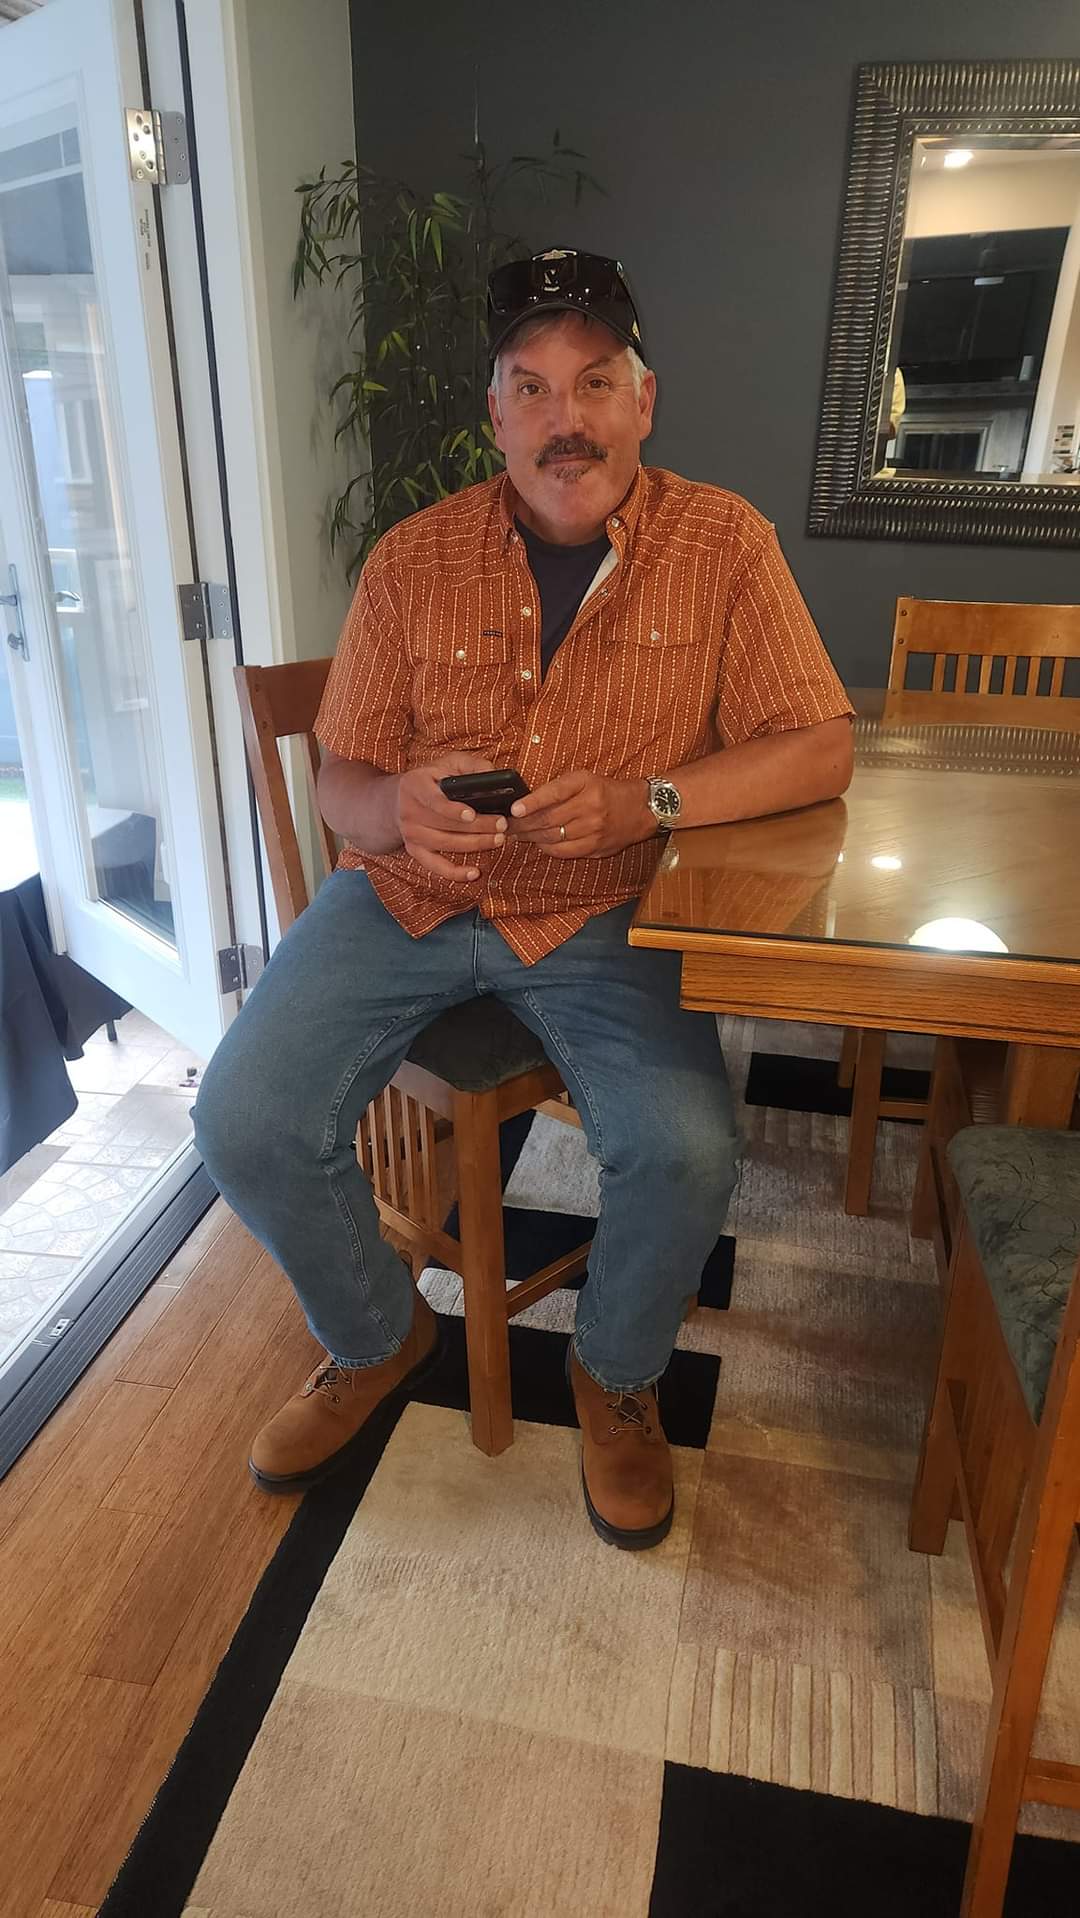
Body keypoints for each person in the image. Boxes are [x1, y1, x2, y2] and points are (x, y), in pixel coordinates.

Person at [193, 247, 854, 1551]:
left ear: (644, 401)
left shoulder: (725, 544)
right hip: (405, 900)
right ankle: (377, 1337)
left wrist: (650, 801)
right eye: (533, 388)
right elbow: (341, 781)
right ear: (495, 413)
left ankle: (614, 1370)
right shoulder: (410, 557)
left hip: (603, 907)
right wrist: (398, 809)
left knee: (688, 1150)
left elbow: (821, 745)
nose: (568, 419)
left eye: (595, 382)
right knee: (243, 1117)